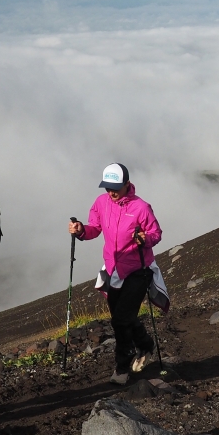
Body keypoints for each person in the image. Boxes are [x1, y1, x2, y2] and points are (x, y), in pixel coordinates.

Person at [69, 164, 162, 386]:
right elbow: (95, 228)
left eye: (116, 188)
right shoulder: (101, 203)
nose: (111, 192)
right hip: (113, 269)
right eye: (108, 187)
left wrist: (144, 239)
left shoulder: (141, 207)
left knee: (121, 320)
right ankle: (146, 344)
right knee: (123, 317)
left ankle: (122, 367)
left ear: (127, 185)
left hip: (139, 269)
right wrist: (81, 230)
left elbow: (155, 233)